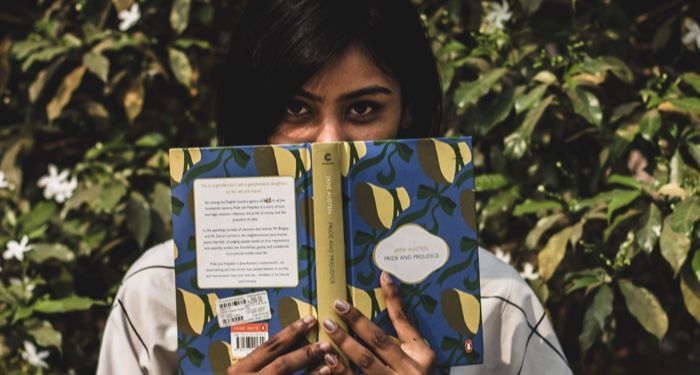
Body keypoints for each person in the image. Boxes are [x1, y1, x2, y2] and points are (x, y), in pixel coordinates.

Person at [97, 0, 573, 374]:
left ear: (406, 112)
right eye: (295, 110)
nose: (330, 143)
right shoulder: (159, 293)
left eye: (363, 109)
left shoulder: (494, 302)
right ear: (252, 113)